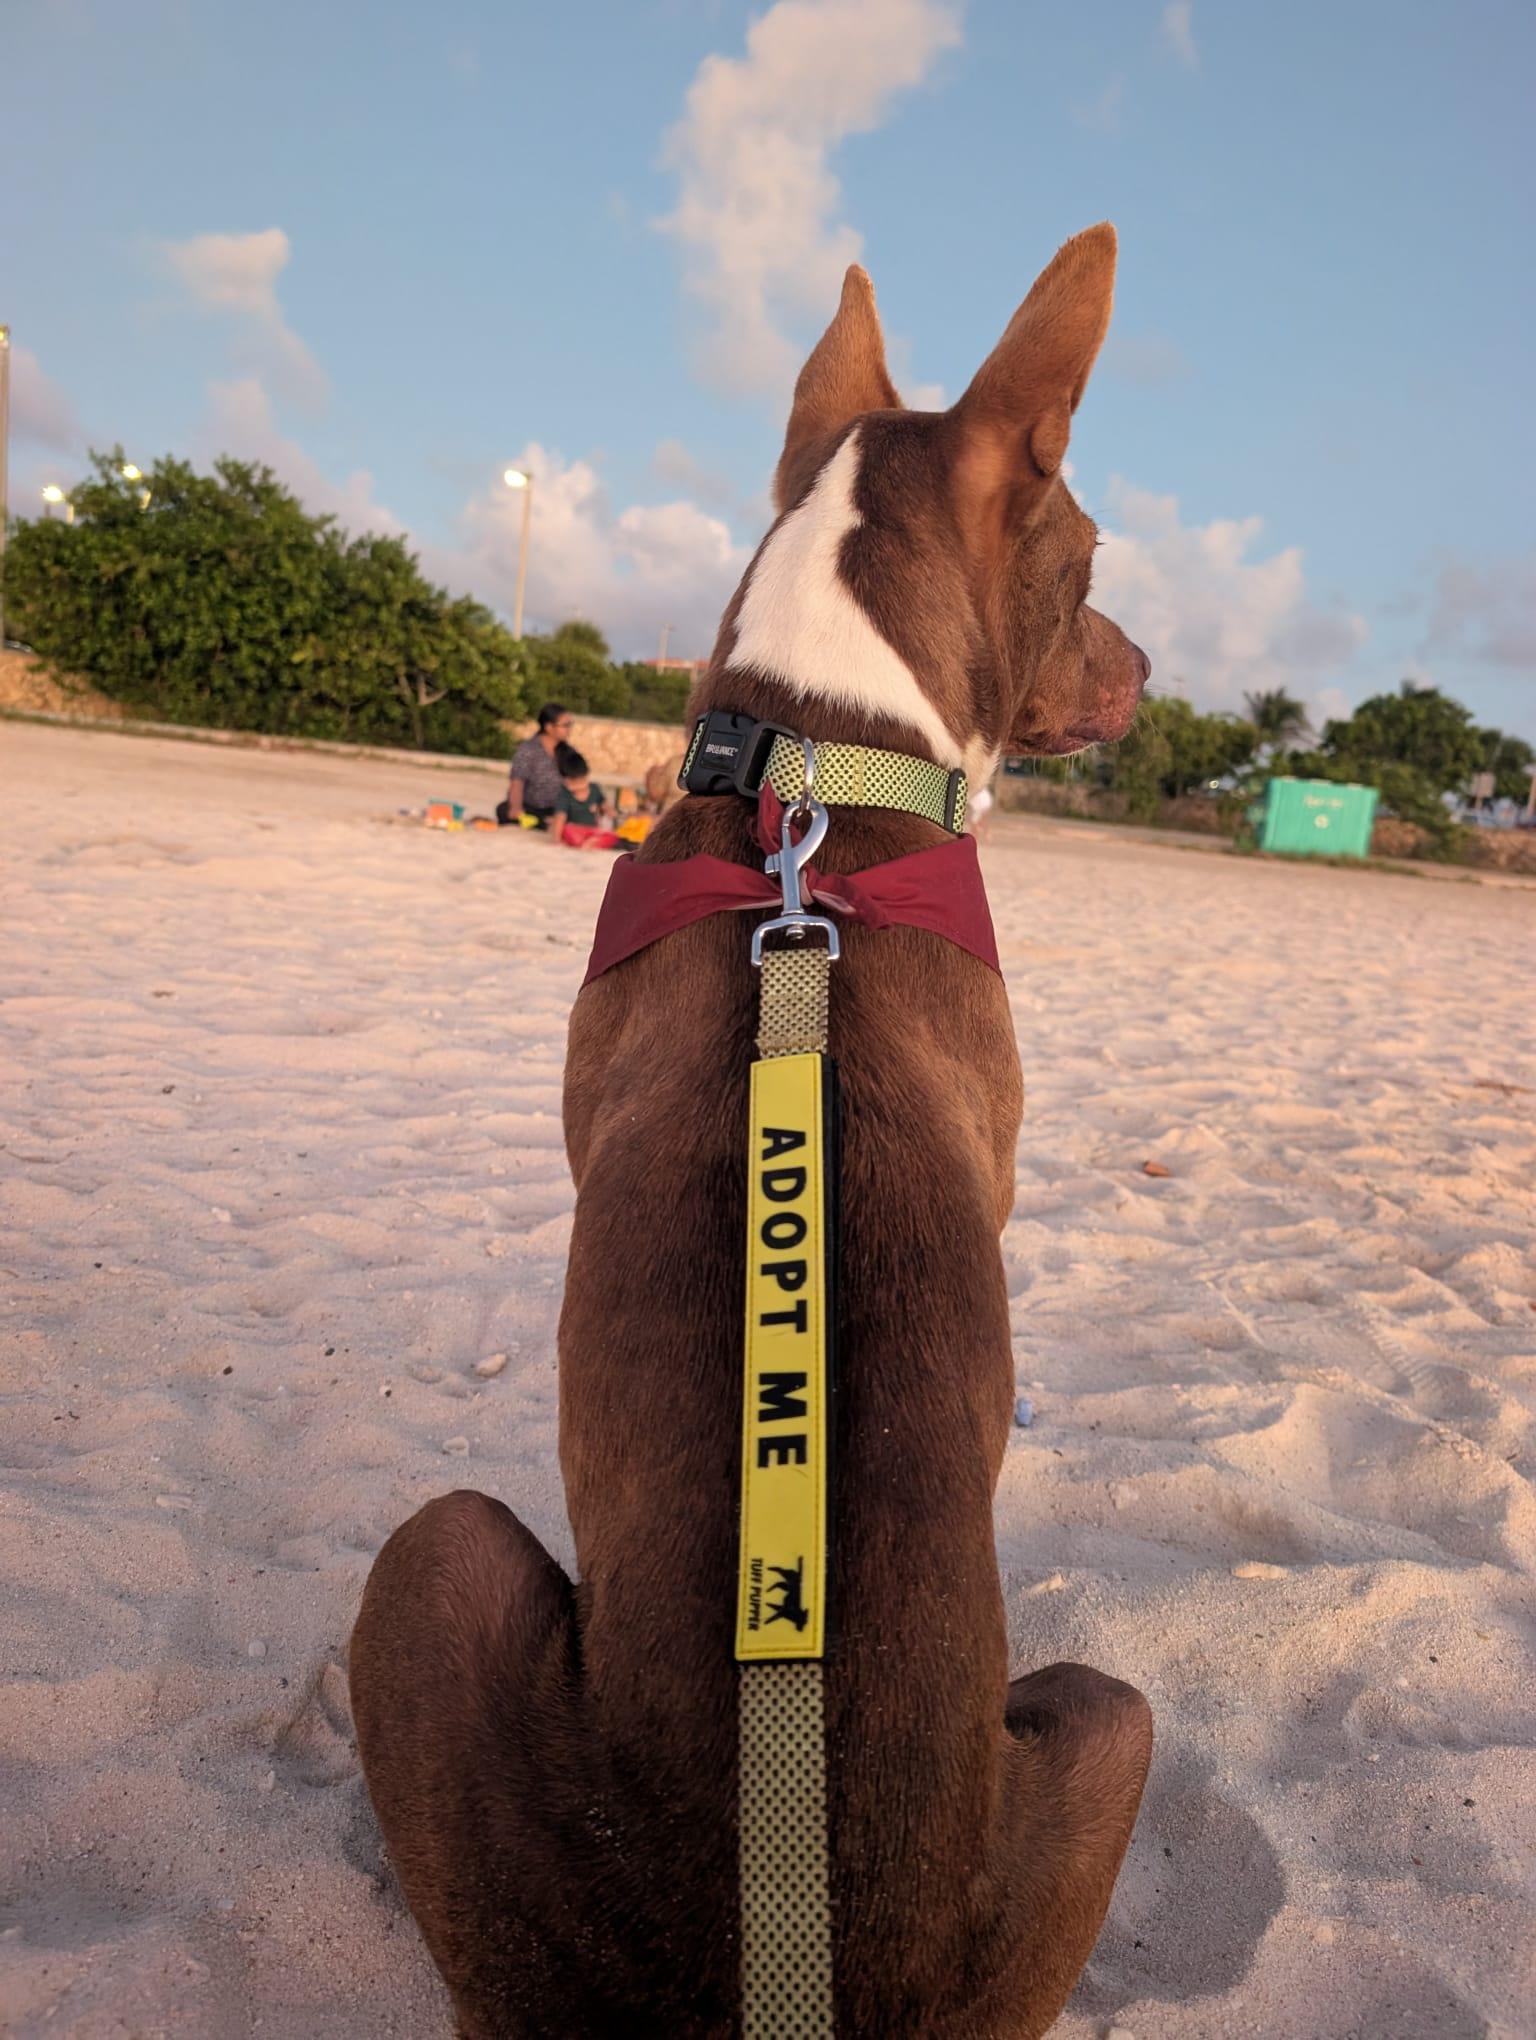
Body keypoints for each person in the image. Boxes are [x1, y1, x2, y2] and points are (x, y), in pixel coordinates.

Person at [498, 703, 573, 827]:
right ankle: (544, 822)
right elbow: (517, 782)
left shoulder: (569, 751)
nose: (569, 730)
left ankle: (549, 822)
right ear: (549, 727)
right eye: (565, 725)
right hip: (531, 807)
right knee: (503, 810)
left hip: (558, 809)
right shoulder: (528, 749)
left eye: (570, 725)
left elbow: (578, 780)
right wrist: (516, 807)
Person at [551, 745, 622, 849]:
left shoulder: (594, 789)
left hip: (592, 831)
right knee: (567, 830)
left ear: (586, 776)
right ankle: (585, 843)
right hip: (575, 830)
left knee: (612, 837)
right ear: (565, 780)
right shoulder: (564, 794)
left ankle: (592, 842)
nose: (578, 787)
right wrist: (556, 839)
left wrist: (609, 810)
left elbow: (604, 803)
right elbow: (560, 817)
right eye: (573, 783)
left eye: (581, 782)